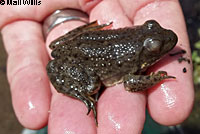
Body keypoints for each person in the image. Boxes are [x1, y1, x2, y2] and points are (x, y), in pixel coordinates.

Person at [0, 0, 194, 133]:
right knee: (91, 85)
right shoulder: (136, 59)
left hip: (84, 43)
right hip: (82, 61)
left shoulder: (137, 39)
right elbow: (130, 82)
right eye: (156, 48)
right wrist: (154, 79)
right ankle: (83, 93)